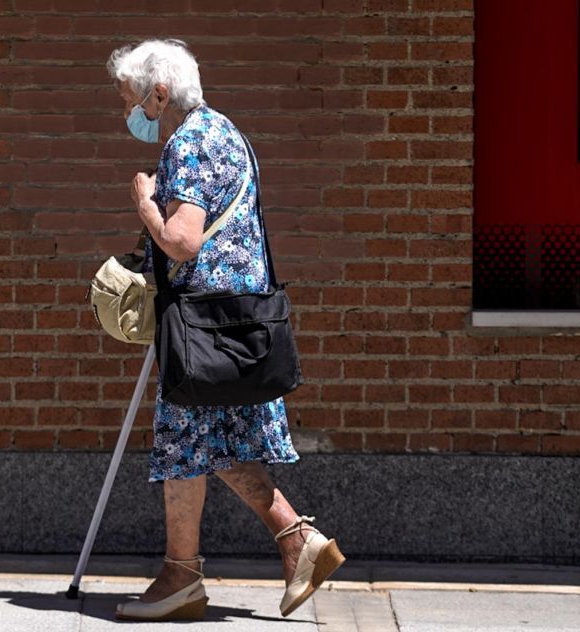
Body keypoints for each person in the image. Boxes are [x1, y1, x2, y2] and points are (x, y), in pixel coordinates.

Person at [106, 39, 345, 622]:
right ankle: (195, 572)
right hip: (234, 324)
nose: (130, 113)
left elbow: (184, 240)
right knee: (198, 446)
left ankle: (277, 545)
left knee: (195, 443)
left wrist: (145, 205)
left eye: (133, 99)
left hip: (204, 328)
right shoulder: (225, 132)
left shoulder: (187, 144)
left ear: (160, 93)